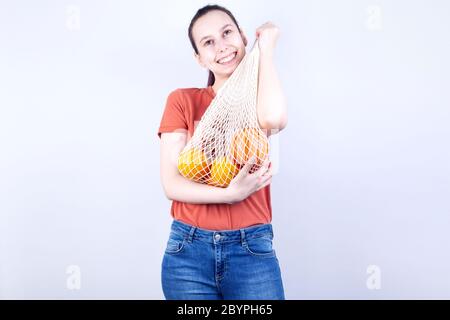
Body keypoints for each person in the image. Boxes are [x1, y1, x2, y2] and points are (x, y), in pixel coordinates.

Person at [157, 4, 288, 300]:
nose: (222, 46)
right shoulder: (182, 101)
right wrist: (229, 194)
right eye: (208, 42)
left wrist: (265, 49)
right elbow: (171, 184)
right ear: (199, 58)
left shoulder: (259, 100)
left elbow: (275, 119)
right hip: (188, 252)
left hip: (251, 249)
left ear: (242, 37)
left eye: (227, 33)